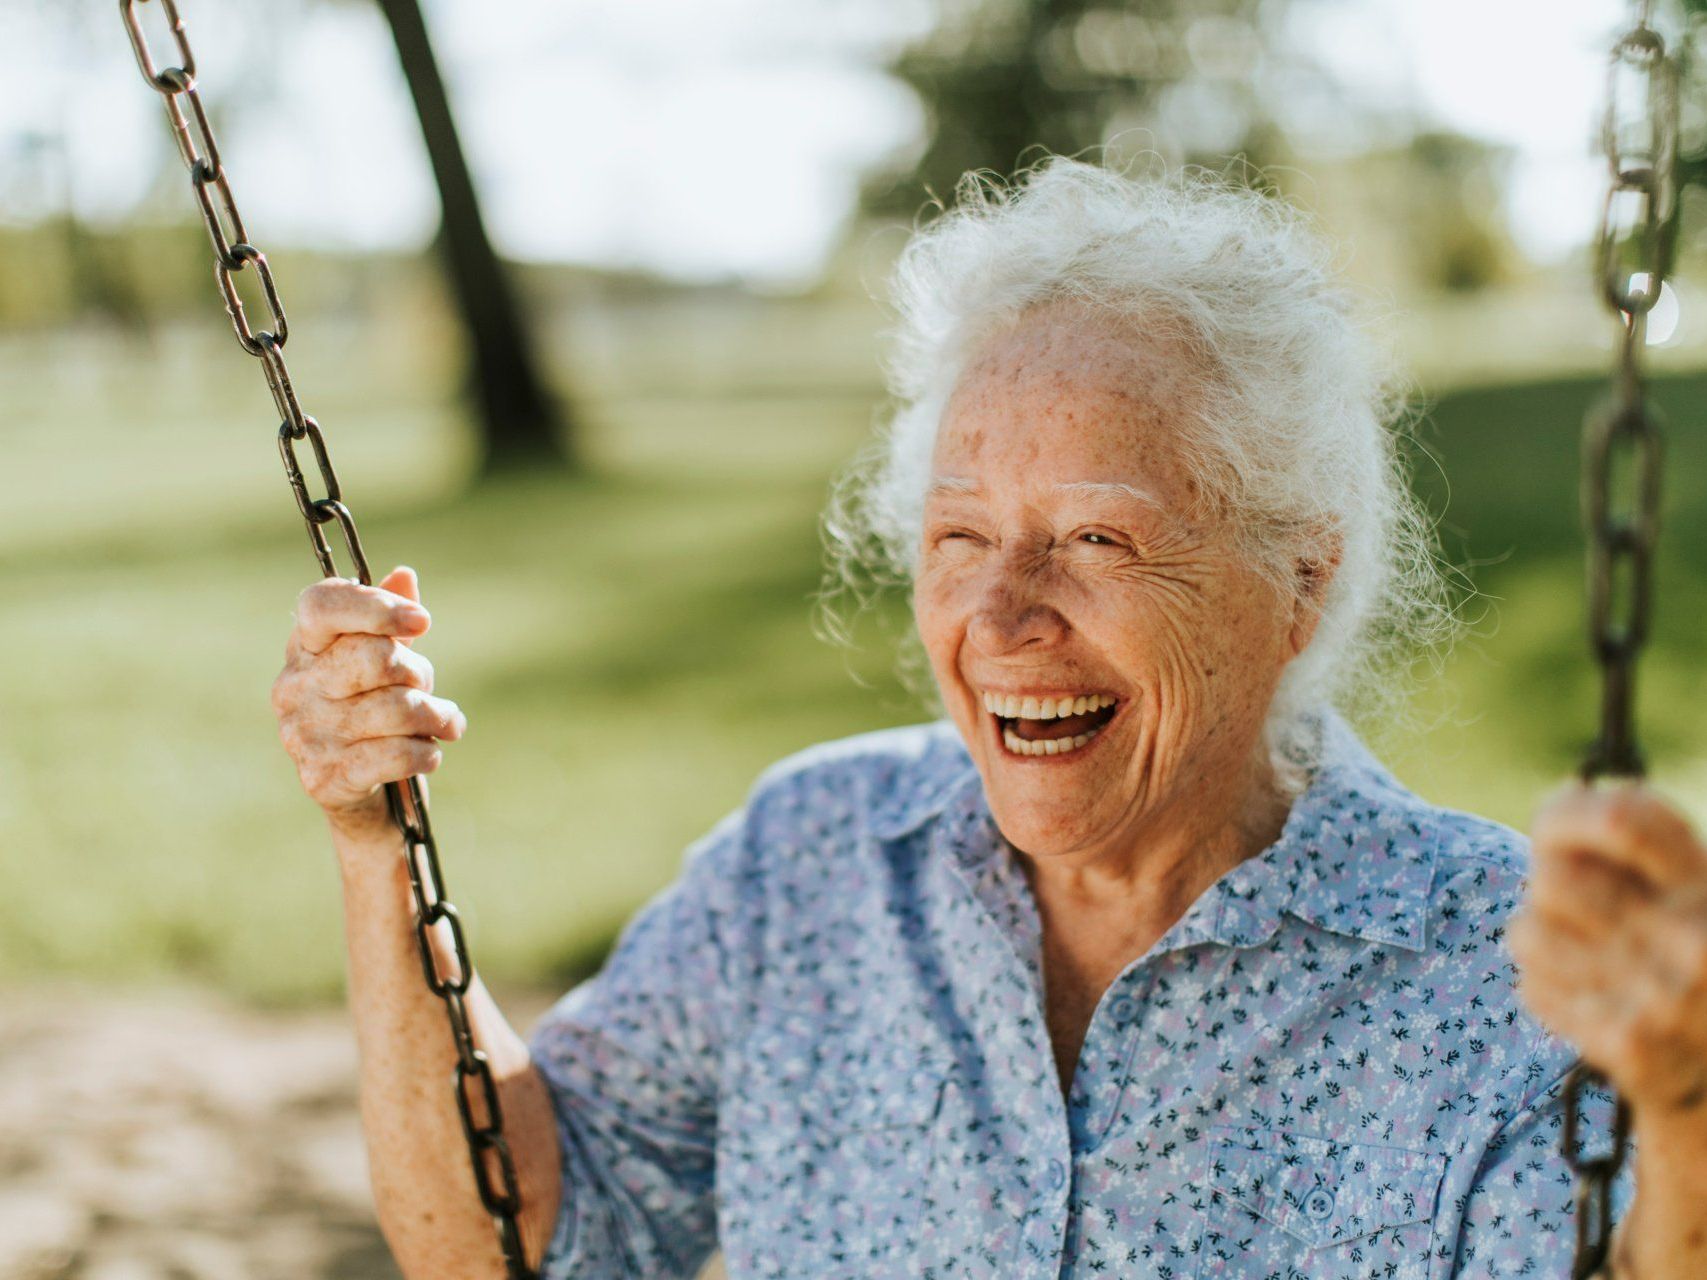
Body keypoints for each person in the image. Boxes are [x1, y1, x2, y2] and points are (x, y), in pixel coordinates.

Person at [268, 158, 1707, 1279]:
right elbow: (514, 1241)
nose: (1003, 619)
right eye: (961, 537)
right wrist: (374, 850)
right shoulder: (810, 861)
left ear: (1299, 584)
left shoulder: (1495, 973)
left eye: (1096, 541)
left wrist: (1690, 1106)